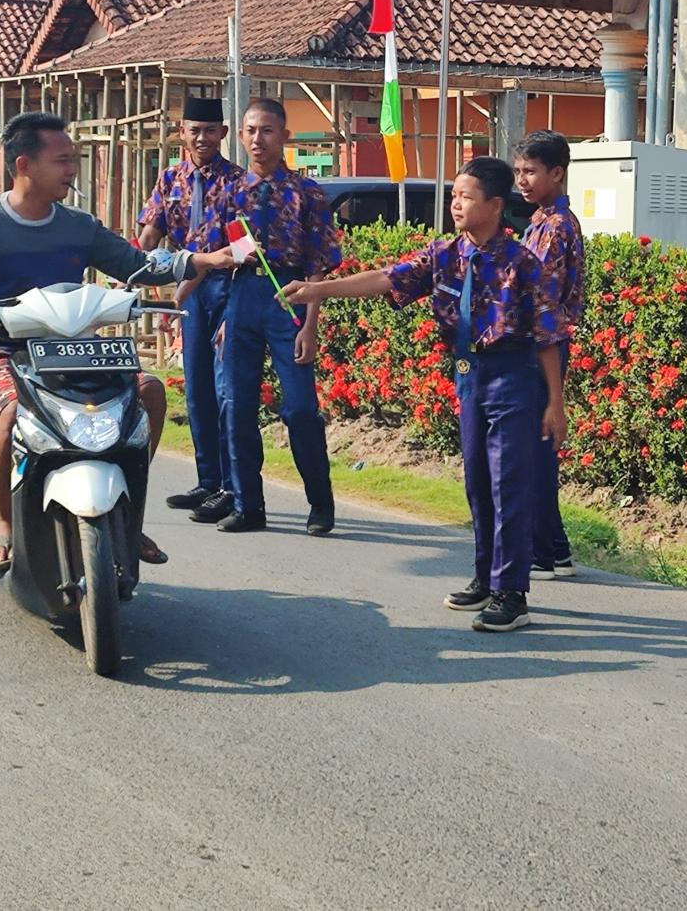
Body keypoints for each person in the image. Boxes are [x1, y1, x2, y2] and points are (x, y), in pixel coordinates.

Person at [0, 111, 230, 570]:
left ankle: (128, 514)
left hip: (75, 347)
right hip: (3, 349)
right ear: (24, 165)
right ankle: (2, 521)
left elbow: (137, 264)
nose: (72, 170)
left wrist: (200, 259)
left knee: (148, 394)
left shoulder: (79, 225)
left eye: (74, 160)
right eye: (62, 160)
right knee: (13, 412)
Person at [281, 157, 566, 632]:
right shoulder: (444, 254)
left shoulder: (523, 263)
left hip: (514, 376)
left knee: (508, 484)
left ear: (495, 205)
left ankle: (512, 592)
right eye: (454, 194)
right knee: (477, 479)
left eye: (466, 196)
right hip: (469, 374)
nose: (456, 203)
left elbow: (548, 336)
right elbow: (386, 279)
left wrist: (555, 403)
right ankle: (485, 577)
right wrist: (317, 290)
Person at [209, 98, 338, 536]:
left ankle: (320, 502)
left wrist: (311, 323)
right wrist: (226, 314)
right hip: (243, 296)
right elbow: (223, 255)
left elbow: (319, 263)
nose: (257, 140)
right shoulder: (229, 192)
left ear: (284, 136)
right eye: (249, 131)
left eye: (266, 131)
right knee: (236, 405)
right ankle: (249, 506)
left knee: (301, 408)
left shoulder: (308, 193)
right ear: (240, 136)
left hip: (292, 295)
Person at [136, 96, 245, 526]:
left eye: (210, 130)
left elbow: (242, 247)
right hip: (188, 289)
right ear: (180, 132)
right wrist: (136, 251)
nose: (201, 138)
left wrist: (185, 285)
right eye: (193, 130)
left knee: (224, 391)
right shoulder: (168, 180)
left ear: (222, 133)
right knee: (196, 387)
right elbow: (148, 235)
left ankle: (231, 489)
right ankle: (207, 479)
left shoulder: (239, 183)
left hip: (229, 288)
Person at [514, 130, 584, 580]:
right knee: (535, 450)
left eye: (531, 172)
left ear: (556, 174)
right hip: (541, 343)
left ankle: (547, 551)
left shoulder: (557, 225)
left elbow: (541, 300)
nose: (522, 180)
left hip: (546, 345)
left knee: (538, 450)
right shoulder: (541, 218)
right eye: (518, 171)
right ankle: (552, 548)